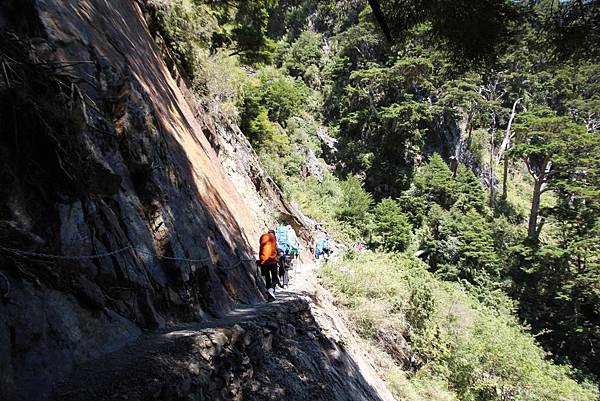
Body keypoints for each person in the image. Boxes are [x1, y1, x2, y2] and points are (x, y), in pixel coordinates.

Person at [259, 229, 278, 300]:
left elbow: (261, 249)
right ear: (274, 234)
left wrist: (261, 260)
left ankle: (270, 297)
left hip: (263, 261)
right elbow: (275, 250)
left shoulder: (263, 237)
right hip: (272, 261)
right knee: (275, 278)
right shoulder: (273, 238)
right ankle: (271, 289)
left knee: (267, 278)